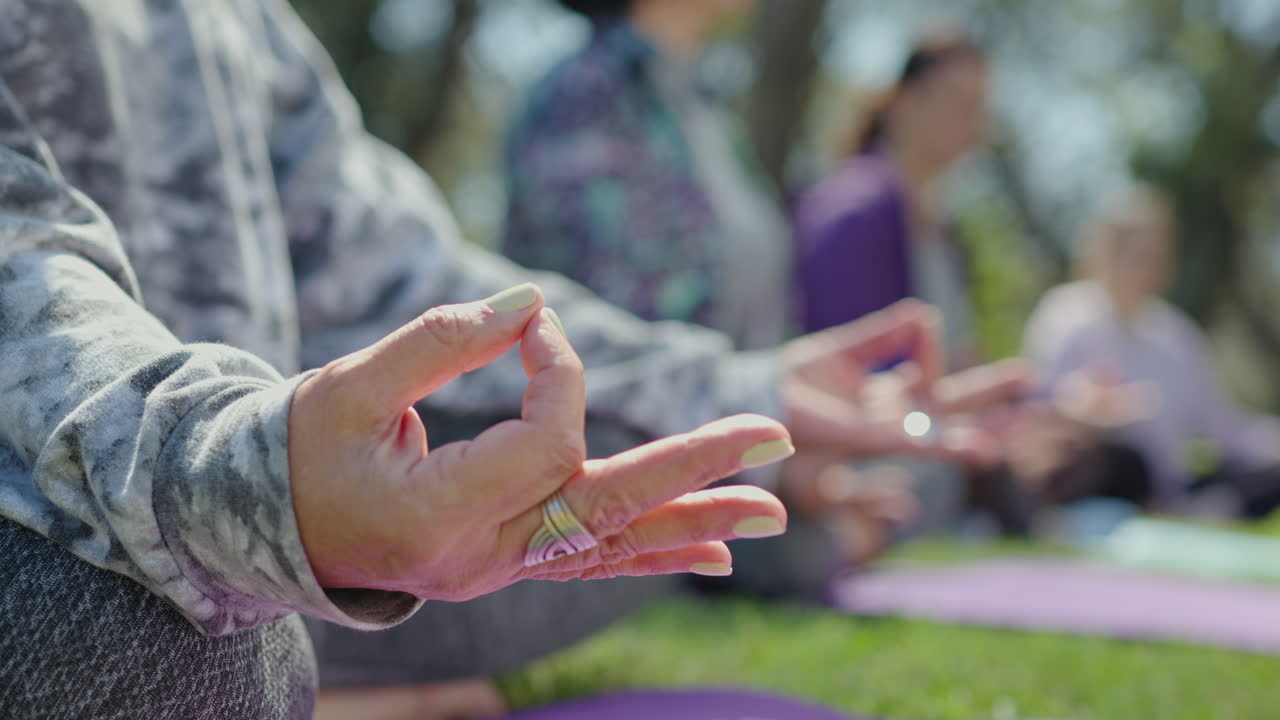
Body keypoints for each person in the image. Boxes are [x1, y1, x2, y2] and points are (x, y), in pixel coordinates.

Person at [0, 2, 1010, 718]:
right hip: (104, 496)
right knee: (186, 653)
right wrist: (259, 490)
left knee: (650, 482)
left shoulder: (247, 26)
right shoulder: (588, 94)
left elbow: (421, 275)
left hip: (300, 503)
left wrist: (740, 388)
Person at [1024, 185, 1280, 517]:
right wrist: (1087, 409)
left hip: (1169, 487)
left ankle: (1198, 512)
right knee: (1123, 462)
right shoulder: (1065, 315)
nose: (1146, 267)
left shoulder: (1177, 334)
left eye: (1156, 254)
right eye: (1134, 253)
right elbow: (1039, 406)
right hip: (1099, 474)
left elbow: (1225, 427)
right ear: (1102, 251)